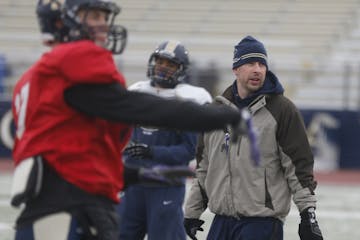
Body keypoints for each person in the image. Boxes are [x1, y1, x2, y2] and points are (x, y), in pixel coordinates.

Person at [10, 1, 245, 239]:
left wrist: (132, 174)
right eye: (93, 16)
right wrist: (216, 116)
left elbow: (70, 149)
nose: (102, 24)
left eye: (103, 17)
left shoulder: (30, 79)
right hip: (70, 207)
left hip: (43, 204)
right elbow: (137, 107)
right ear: (63, 21)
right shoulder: (76, 60)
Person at [183, 36, 323, 240]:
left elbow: (298, 166)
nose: (257, 69)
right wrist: (192, 211)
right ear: (236, 69)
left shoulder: (282, 110)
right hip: (222, 221)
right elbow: (204, 167)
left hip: (263, 223)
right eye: (250, 63)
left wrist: (307, 214)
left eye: (261, 64)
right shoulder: (215, 112)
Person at [117, 40, 212, 240]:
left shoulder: (188, 99)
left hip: (165, 186)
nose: (163, 67)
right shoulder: (137, 91)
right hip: (133, 185)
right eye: (160, 61)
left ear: (181, 70)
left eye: (170, 64)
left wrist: (151, 151)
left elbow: (188, 150)